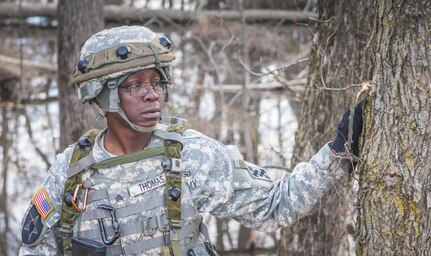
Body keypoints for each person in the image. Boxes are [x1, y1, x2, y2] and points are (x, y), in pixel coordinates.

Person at [19, 25, 362, 256]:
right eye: (135, 85)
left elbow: (275, 205)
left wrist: (338, 152)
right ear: (102, 94)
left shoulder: (191, 156)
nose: (152, 95)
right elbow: (35, 249)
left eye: (156, 83)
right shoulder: (72, 171)